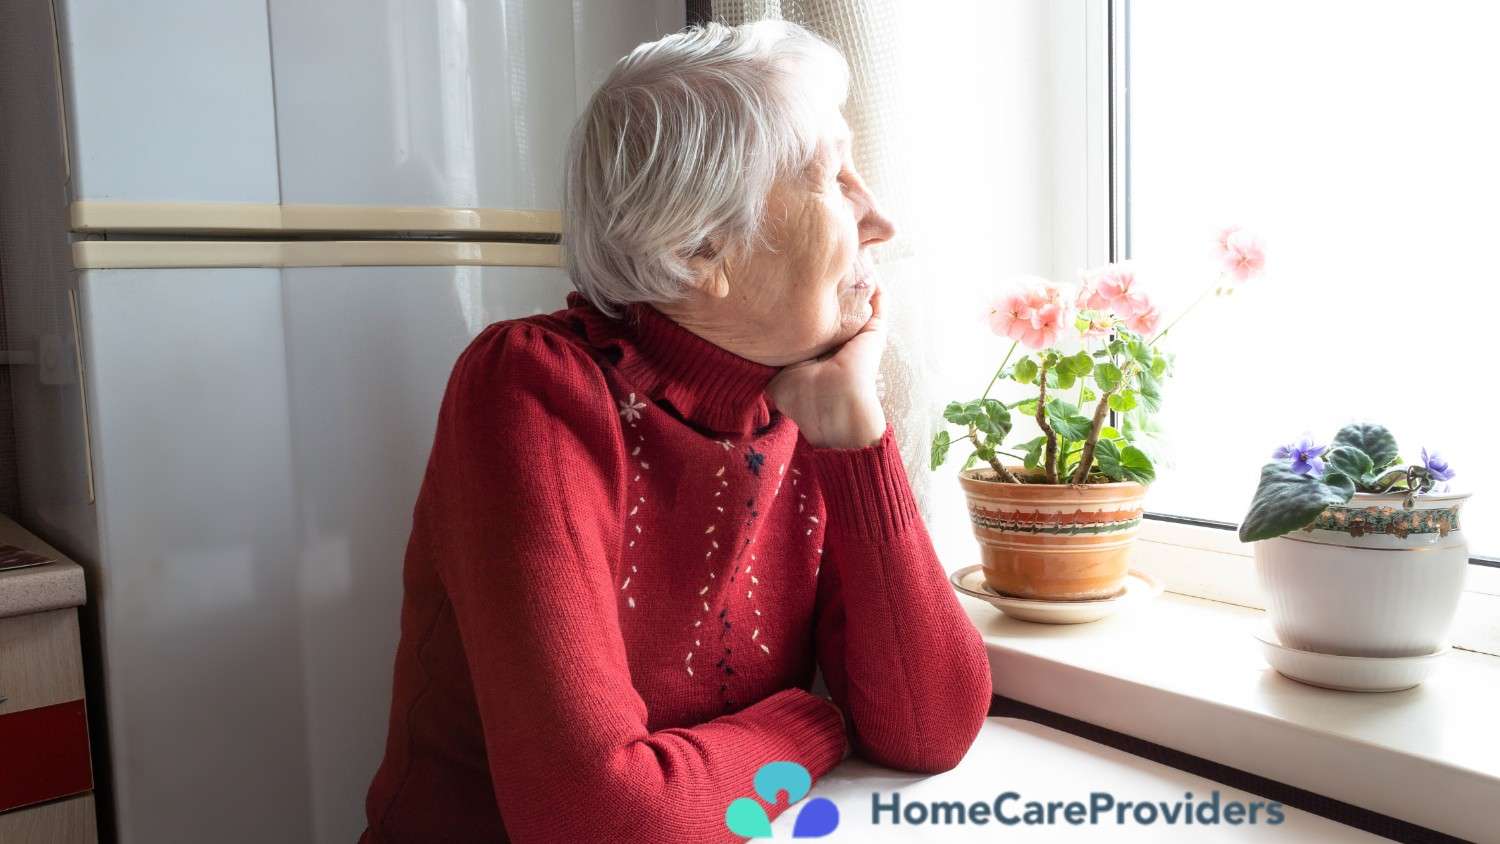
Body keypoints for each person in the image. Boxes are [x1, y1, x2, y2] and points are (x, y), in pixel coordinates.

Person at [360, 20, 991, 843]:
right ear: (699, 248)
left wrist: (855, 440)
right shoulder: (531, 389)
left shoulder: (800, 393)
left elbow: (932, 727)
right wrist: (815, 725)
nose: (880, 219)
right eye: (832, 181)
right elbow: (600, 823)